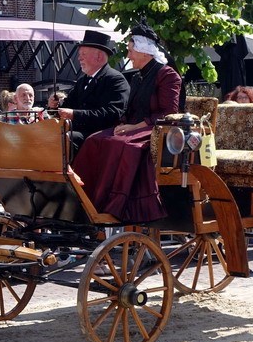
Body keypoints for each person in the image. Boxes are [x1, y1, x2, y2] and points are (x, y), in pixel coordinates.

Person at [72, 25, 181, 222]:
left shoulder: (168, 75)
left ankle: (116, 204)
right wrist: (122, 124)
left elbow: (169, 112)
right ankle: (85, 200)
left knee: (123, 145)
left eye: (130, 51)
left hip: (157, 130)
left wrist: (136, 126)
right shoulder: (138, 77)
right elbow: (129, 110)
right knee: (94, 140)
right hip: (134, 127)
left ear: (143, 51)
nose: (129, 56)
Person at [56, 30, 129, 152]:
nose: (79, 58)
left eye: (83, 54)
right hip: (76, 132)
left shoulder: (115, 80)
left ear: (99, 56)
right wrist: (56, 105)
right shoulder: (81, 81)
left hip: (100, 135)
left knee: (63, 139)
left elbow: (113, 113)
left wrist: (75, 114)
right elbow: (69, 105)